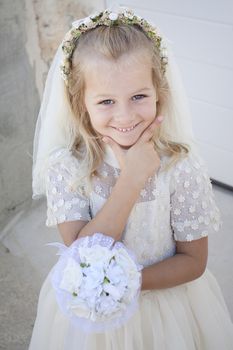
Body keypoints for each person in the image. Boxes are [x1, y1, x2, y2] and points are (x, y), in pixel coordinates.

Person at [29, 7, 233, 350]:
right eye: (106, 101)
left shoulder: (181, 166)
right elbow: (81, 254)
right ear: (81, 104)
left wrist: (124, 286)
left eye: (139, 96)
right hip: (87, 320)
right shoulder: (67, 166)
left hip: (169, 315)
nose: (125, 116)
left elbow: (194, 261)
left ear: (159, 93)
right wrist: (133, 178)